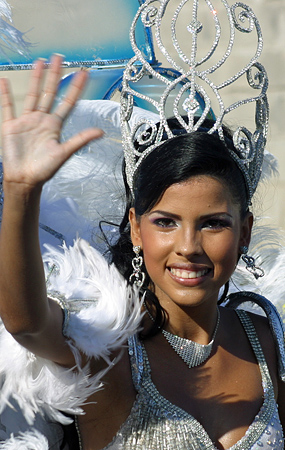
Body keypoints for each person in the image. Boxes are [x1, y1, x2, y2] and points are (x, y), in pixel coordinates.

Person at [0, 3, 285, 450]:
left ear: (245, 231)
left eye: (213, 224)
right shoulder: (108, 349)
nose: (188, 246)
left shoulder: (267, 340)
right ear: (135, 228)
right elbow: (26, 324)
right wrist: (22, 189)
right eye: (165, 222)